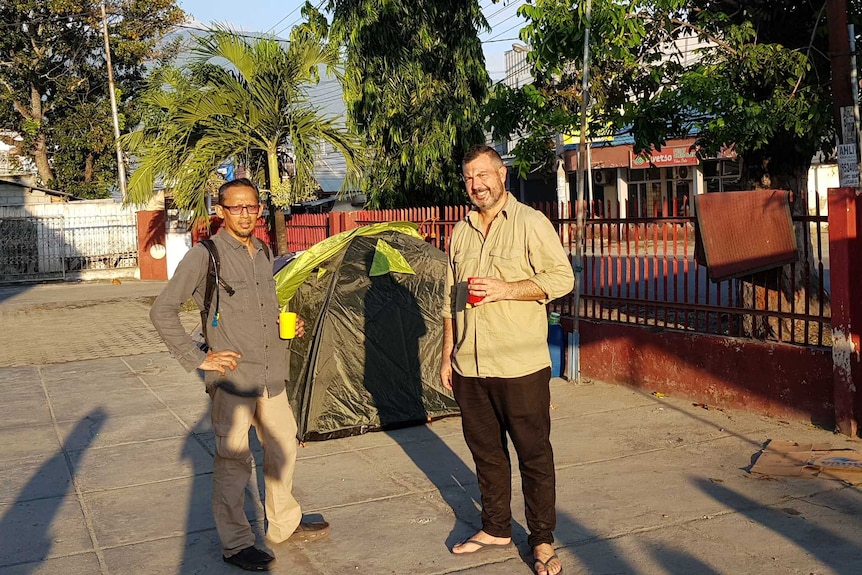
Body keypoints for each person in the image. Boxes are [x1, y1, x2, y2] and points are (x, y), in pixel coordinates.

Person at [150, 178, 328, 572]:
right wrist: (199, 358)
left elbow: (265, 308)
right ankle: (236, 542)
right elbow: (162, 310)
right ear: (221, 211)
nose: (246, 214)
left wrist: (290, 329)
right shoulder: (205, 255)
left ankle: (284, 523)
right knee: (233, 462)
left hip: (271, 374)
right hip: (233, 378)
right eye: (237, 207)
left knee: (282, 448)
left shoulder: (264, 250)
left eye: (252, 207)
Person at [441, 145, 574, 575]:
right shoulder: (459, 231)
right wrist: (448, 356)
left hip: (520, 366)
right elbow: (450, 299)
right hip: (470, 367)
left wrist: (506, 289)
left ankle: (541, 540)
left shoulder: (531, 223)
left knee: (534, 455)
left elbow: (562, 278)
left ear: (502, 175)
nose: (476, 184)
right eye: (469, 178)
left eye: (483, 175)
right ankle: (496, 527)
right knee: (486, 454)